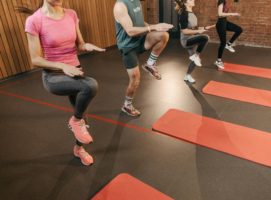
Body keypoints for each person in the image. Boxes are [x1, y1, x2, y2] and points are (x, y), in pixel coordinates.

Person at [17, 0, 106, 166]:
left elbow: (79, 44)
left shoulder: (71, 14)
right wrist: (62, 65)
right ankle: (75, 121)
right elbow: (35, 59)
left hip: (75, 71)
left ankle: (79, 149)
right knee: (90, 85)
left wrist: (86, 46)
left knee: (83, 117)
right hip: (54, 76)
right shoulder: (34, 20)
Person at [113, 0, 173, 117]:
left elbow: (140, 23)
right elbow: (130, 31)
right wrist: (153, 27)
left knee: (163, 35)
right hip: (128, 46)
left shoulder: (137, 2)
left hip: (140, 40)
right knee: (135, 80)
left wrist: (157, 28)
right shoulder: (120, 6)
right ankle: (127, 105)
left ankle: (150, 64)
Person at [175, 0, 215, 83]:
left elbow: (195, 28)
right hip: (186, 40)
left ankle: (187, 76)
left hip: (193, 39)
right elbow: (184, 31)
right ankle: (196, 55)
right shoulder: (184, 14)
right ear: (186, 2)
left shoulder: (191, 13)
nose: (193, 0)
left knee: (194, 61)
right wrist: (199, 32)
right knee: (205, 38)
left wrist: (205, 28)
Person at [215, 0, 243, 69]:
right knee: (223, 43)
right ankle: (218, 61)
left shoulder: (225, 1)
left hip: (225, 22)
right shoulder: (221, 1)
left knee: (239, 29)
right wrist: (232, 14)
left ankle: (229, 44)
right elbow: (220, 14)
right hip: (220, 24)